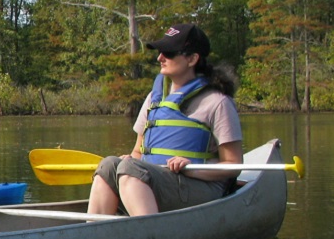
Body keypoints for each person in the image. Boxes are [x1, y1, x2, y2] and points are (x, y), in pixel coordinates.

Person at [87, 23, 243, 217]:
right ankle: (95, 237)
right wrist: (128, 159)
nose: (160, 57)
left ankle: (152, 237)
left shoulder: (218, 102)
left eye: (169, 53)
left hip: (200, 186)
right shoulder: (155, 98)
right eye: (160, 52)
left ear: (192, 59)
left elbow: (234, 164)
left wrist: (192, 170)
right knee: (109, 165)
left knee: (130, 170)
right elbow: (138, 152)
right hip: (156, 183)